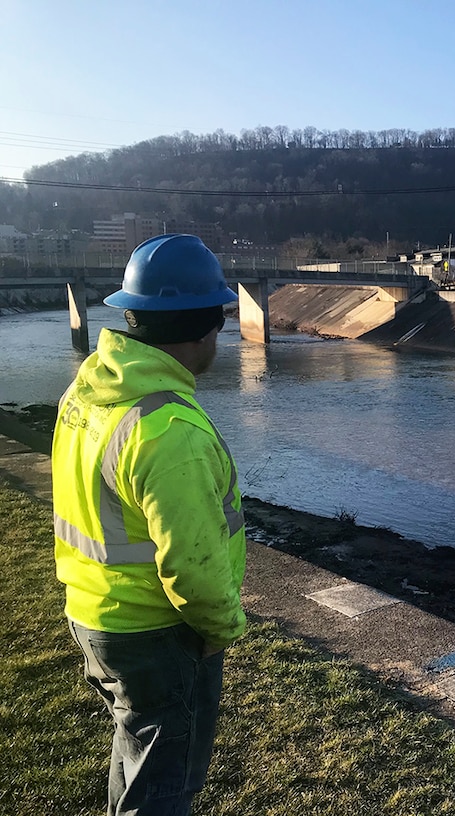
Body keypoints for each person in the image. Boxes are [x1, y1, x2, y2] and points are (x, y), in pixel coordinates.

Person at [52, 234, 246, 815]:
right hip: (157, 632)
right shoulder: (170, 430)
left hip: (93, 614)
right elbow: (192, 564)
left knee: (138, 753)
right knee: (164, 786)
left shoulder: (88, 393)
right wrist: (221, 629)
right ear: (206, 330)